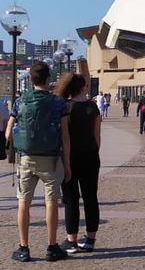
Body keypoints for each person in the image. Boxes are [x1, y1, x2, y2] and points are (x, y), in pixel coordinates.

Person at [5, 62, 71, 262]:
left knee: (24, 202)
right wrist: (67, 165)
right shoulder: (58, 103)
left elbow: (8, 133)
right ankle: (52, 247)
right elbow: (66, 137)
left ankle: (23, 248)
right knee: (51, 202)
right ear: (48, 79)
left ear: (31, 79)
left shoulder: (20, 101)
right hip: (51, 159)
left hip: (26, 158)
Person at [55, 73, 101, 254]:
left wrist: (65, 161)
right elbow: (97, 137)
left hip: (70, 157)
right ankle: (90, 239)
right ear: (82, 88)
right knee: (91, 198)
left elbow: (64, 137)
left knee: (71, 199)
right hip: (90, 157)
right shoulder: (93, 107)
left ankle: (71, 240)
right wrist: (93, 152)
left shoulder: (65, 107)